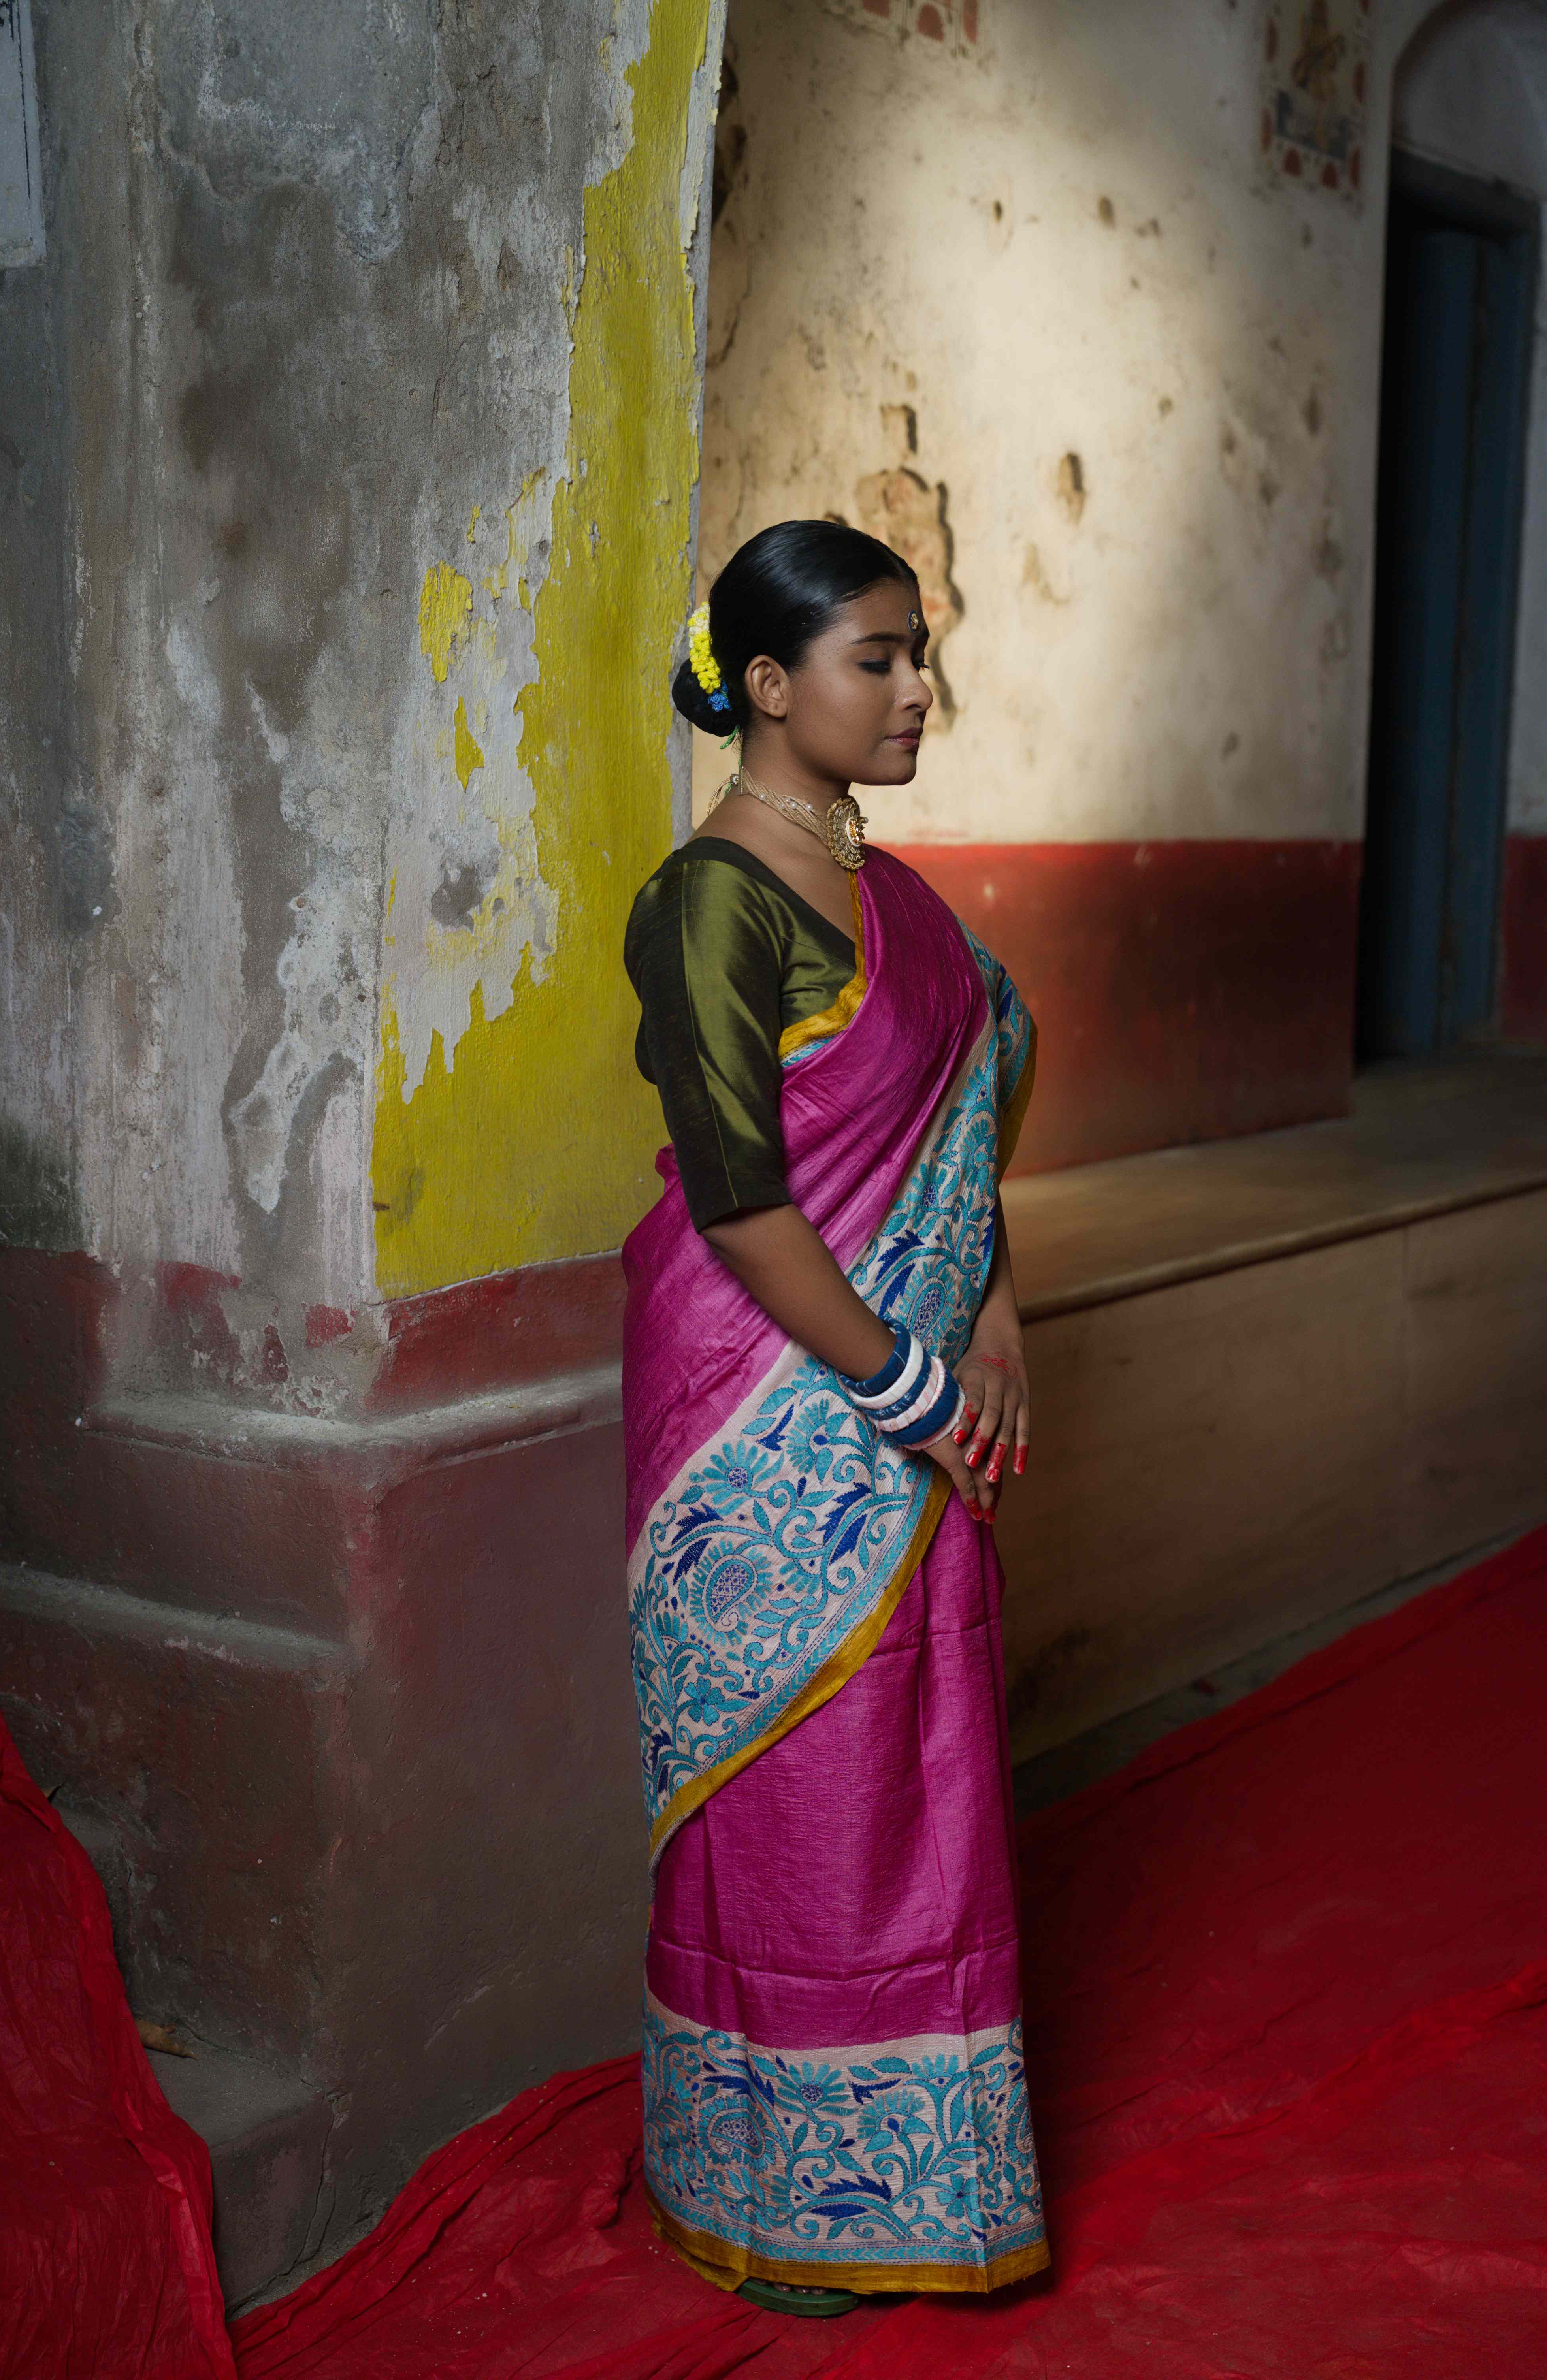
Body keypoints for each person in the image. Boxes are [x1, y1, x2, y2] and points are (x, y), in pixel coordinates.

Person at [622, 520, 1048, 2316]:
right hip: (766, 1412)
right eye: (877, 658)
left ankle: (908, 2182)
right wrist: (909, 1384)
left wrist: (998, 1305)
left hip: (909, 1369)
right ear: (771, 685)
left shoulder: (893, 893)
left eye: (918, 651)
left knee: (914, 1764)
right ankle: (773, 2192)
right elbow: (738, 1199)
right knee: (792, 1789)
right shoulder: (711, 901)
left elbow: (968, 1091)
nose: (914, 689)